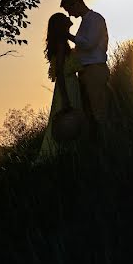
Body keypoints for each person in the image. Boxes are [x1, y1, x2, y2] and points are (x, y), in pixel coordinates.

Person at [60, 0, 110, 139]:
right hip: (87, 71)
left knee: (98, 111)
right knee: (89, 111)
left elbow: (89, 44)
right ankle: (97, 144)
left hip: (95, 70)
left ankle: (105, 141)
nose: (69, 14)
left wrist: (68, 36)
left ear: (76, 3)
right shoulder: (86, 21)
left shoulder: (95, 19)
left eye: (69, 10)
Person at [39, 12, 85, 159]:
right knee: (67, 119)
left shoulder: (63, 41)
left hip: (70, 84)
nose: (68, 18)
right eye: (65, 18)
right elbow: (59, 72)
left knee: (70, 120)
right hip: (67, 86)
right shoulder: (60, 43)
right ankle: (57, 155)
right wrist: (65, 98)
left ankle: (66, 154)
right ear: (61, 24)